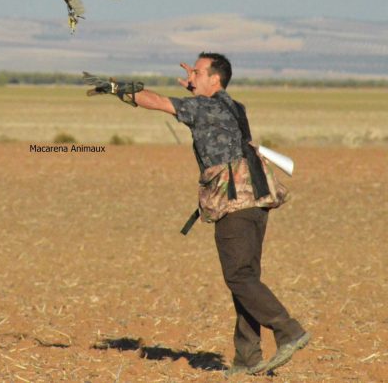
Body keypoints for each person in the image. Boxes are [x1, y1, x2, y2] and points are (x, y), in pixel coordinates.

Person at [126, 52, 310, 376]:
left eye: (197, 71)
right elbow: (213, 111)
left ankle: (288, 330)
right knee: (247, 279)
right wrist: (195, 88)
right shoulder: (235, 107)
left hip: (233, 204)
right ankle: (247, 358)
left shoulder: (203, 107)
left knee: (238, 277)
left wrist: (119, 90)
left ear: (215, 79)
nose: (190, 74)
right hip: (257, 204)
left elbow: (155, 101)